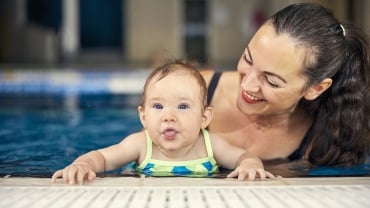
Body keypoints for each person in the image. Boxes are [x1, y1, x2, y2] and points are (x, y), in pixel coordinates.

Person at [51, 59, 274, 184]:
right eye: (158, 107)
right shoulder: (140, 144)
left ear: (204, 117)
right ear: (143, 117)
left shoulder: (210, 145)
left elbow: (244, 156)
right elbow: (102, 157)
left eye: (183, 106)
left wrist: (250, 165)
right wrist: (83, 165)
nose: (169, 116)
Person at [201, 2, 370, 166]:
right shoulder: (199, 90)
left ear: (315, 88)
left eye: (271, 81)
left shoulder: (325, 139)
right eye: (247, 58)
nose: (247, 85)